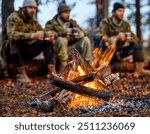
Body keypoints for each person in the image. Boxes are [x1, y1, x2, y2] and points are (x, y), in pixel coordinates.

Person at [1, 0, 56, 83]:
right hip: (9, 52)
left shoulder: (33, 21)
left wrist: (49, 35)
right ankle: (20, 73)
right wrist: (32, 35)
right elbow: (12, 35)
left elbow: (42, 31)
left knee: (47, 40)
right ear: (24, 8)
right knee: (14, 41)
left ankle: (51, 70)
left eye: (34, 8)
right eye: (30, 7)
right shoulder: (14, 17)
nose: (33, 10)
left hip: (25, 51)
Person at [98, 2, 150, 77]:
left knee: (138, 46)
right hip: (110, 51)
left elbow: (135, 39)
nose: (122, 13)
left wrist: (128, 40)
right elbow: (99, 35)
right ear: (113, 13)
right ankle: (106, 71)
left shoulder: (125, 24)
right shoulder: (106, 22)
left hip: (122, 50)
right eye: (119, 11)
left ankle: (139, 71)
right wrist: (115, 38)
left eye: (123, 11)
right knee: (102, 45)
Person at [45, 3, 92, 73]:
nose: (68, 14)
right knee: (62, 40)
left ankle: (86, 65)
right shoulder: (51, 23)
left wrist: (81, 34)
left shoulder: (72, 22)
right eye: (66, 12)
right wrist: (62, 33)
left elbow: (85, 32)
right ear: (60, 14)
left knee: (86, 40)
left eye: (69, 12)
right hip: (56, 50)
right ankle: (65, 67)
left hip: (69, 49)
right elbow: (47, 36)